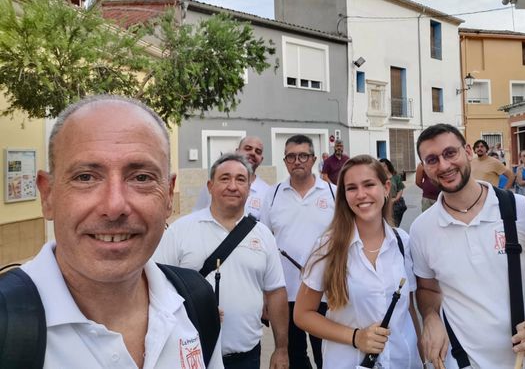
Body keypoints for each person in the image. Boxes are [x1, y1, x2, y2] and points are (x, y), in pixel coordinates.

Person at [13, 95, 224, 368]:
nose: (114, 207)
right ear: (48, 195)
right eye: (85, 177)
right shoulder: (9, 326)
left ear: (169, 195)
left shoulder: (195, 303)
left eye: (141, 178)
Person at [410, 123, 525, 369]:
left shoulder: (524, 211)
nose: (444, 166)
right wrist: (431, 317)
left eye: (450, 153)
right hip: (464, 362)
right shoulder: (421, 229)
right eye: (432, 159)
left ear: (467, 151)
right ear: (424, 167)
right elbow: (428, 289)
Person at [155, 153, 288, 369]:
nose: (232, 186)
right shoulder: (181, 230)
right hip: (190, 354)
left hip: (246, 356)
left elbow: (276, 292)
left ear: (249, 187)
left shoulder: (263, 235)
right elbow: (156, 286)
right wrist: (191, 307)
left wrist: (281, 349)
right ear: (210, 186)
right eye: (225, 178)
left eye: (240, 179)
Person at [294, 155, 422, 369]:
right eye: (351, 188)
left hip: (404, 362)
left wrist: (423, 356)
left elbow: (407, 310)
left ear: (386, 187)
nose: (361, 194)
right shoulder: (328, 247)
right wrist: (356, 337)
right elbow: (302, 314)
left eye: (369, 184)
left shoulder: (403, 243)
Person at [260, 135, 336, 369]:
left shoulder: (333, 193)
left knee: (327, 355)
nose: (297, 161)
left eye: (303, 155)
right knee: (293, 356)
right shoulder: (272, 195)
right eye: (291, 156)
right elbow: (264, 244)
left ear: (313, 159)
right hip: (284, 294)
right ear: (285, 161)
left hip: (325, 293)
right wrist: (264, 294)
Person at [194, 136, 270, 220]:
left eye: (258, 152)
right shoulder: (214, 186)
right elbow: (197, 215)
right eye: (248, 148)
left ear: (261, 159)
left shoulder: (268, 192)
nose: (253, 153)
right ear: (237, 152)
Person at [378, 158, 406, 227]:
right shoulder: (379, 177)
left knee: (395, 224)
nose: (383, 168)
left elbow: (400, 189)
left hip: (396, 204)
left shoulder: (396, 176)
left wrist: (395, 199)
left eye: (384, 166)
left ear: (388, 166)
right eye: (380, 166)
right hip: (384, 203)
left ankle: (394, 235)